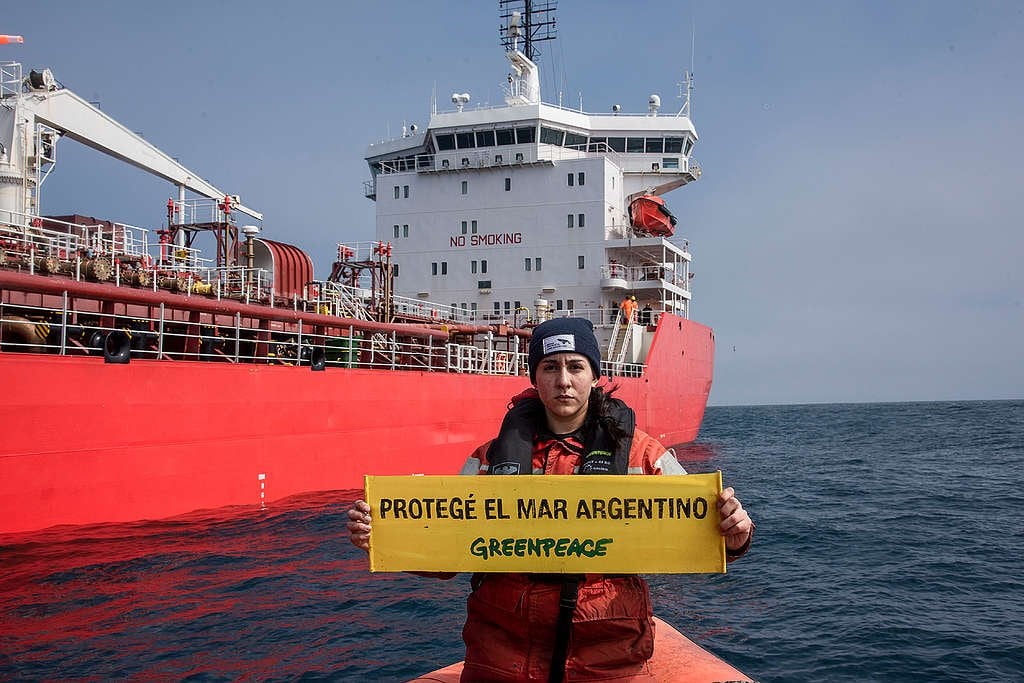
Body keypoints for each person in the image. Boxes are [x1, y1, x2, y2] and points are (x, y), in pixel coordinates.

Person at [348, 318, 754, 682]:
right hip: (501, 656)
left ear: (594, 376)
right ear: (534, 378)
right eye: (550, 367)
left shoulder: (643, 456)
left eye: (576, 367)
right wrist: (386, 536)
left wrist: (734, 535)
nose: (563, 380)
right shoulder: (488, 459)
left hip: (607, 657)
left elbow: (701, 534)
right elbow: (447, 551)